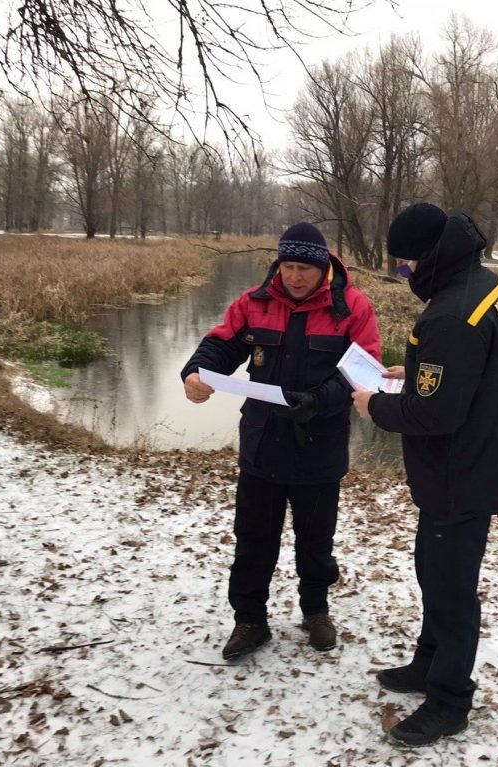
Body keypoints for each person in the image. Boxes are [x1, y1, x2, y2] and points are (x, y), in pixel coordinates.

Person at [352, 203, 498, 748]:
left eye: (405, 266)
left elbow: (435, 415)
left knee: (451, 590)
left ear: (428, 257)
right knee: (432, 568)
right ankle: (427, 665)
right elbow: (466, 374)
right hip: (479, 458)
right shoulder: (490, 286)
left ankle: (449, 700)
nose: (404, 275)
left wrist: (373, 405)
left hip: (460, 474)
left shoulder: (450, 314)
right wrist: (420, 375)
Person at [182, 222, 382, 661]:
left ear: (324, 267)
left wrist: (318, 400)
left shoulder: (352, 308)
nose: (294, 276)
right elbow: (219, 345)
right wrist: (195, 372)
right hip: (262, 446)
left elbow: (364, 370)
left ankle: (316, 611)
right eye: (288, 266)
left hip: (320, 446)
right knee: (253, 538)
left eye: (304, 268)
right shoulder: (254, 303)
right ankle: (249, 620)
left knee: (316, 540)